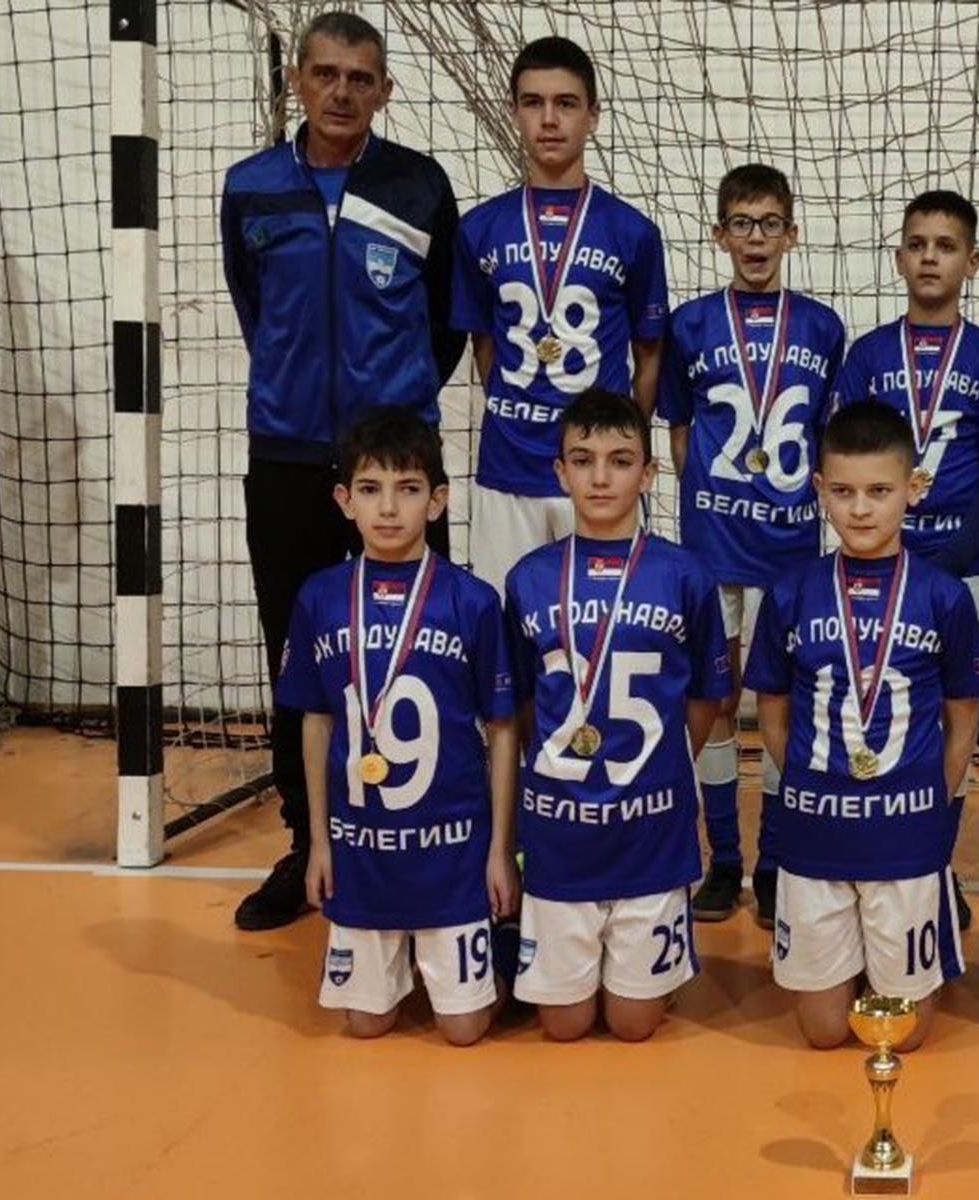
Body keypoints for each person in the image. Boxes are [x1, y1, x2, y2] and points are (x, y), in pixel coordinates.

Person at [221, 11, 466, 930]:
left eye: (360, 78)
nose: (340, 92)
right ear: (297, 81)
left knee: (417, 650)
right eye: (324, 74)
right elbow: (257, 310)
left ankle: (420, 834)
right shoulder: (251, 188)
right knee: (299, 655)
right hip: (287, 458)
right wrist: (300, 392)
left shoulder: (419, 185)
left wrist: (388, 415)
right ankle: (306, 842)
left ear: (384, 90)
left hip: (392, 463)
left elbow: (444, 323)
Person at [743, 403, 979, 1051]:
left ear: (914, 488)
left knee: (902, 1038)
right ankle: (849, 956)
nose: (860, 510)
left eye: (879, 491)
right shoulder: (792, 592)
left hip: (906, 842)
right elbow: (773, 710)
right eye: (844, 492)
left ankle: (887, 951)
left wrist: (932, 801)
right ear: (819, 489)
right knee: (824, 1033)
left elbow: (964, 717)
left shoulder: (943, 596)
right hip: (813, 840)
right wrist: (807, 780)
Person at [275, 409, 516, 1045]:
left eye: (408, 489)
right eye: (370, 489)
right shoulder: (320, 598)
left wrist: (499, 852)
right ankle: (404, 958)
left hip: (453, 848)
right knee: (366, 1024)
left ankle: (496, 952)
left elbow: (502, 730)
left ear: (437, 501)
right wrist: (318, 845)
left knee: (464, 1029)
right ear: (344, 500)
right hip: (362, 850)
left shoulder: (473, 601)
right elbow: (316, 723)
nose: (388, 508)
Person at [500, 390, 731, 1042]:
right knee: (564, 1026)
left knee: (634, 1025)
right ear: (560, 473)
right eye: (583, 460)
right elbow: (523, 702)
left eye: (621, 460)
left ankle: (645, 961)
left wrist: (664, 769)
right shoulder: (528, 578)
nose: (601, 477)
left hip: (650, 832)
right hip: (559, 833)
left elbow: (705, 699)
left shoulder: (685, 576)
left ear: (649, 474)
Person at [828, 189, 979, 929]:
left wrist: (952, 556)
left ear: (972, 261)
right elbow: (844, 459)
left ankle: (935, 860)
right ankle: (870, 848)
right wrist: (883, 543)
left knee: (953, 715)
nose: (930, 257)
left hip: (957, 569)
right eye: (917, 244)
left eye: (946, 246)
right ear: (898, 257)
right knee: (878, 702)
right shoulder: (869, 355)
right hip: (878, 562)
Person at [659, 164, 847, 926]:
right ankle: (723, 860)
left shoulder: (823, 327)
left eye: (770, 224)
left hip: (790, 548)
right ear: (720, 235)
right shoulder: (691, 324)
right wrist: (713, 503)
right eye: (742, 223)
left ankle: (771, 862)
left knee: (780, 699)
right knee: (713, 696)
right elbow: (680, 432)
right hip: (713, 544)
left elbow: (829, 436)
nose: (756, 239)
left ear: (792, 234)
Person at [451, 36, 669, 590]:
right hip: (508, 470)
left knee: (606, 622)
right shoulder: (479, 229)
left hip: (598, 475)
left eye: (566, 103)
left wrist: (617, 444)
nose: (549, 120)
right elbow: (483, 344)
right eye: (533, 102)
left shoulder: (634, 232)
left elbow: (649, 354)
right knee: (509, 620)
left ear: (593, 115)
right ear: (514, 112)